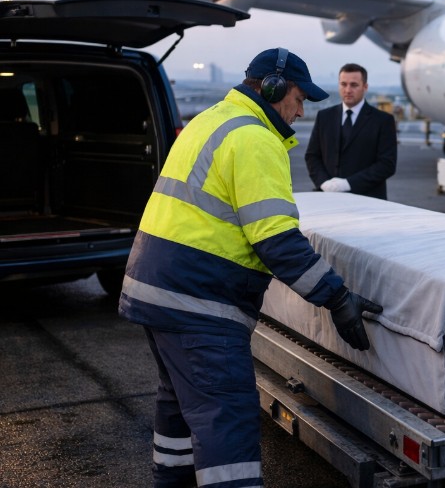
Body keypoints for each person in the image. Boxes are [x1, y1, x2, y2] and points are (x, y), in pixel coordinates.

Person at [119, 48, 383, 488]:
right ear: (274, 88)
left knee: (180, 407)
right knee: (227, 418)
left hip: (156, 291)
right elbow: (276, 240)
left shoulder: (210, 120)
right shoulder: (255, 138)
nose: (302, 111)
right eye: (300, 98)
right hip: (199, 303)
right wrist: (337, 298)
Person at [306, 63, 398, 199]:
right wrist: (324, 183)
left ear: (365, 87)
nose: (348, 90)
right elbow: (312, 156)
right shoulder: (324, 117)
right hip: (328, 198)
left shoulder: (383, 120)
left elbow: (387, 164)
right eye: (343, 84)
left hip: (369, 200)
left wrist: (348, 184)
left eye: (354, 85)